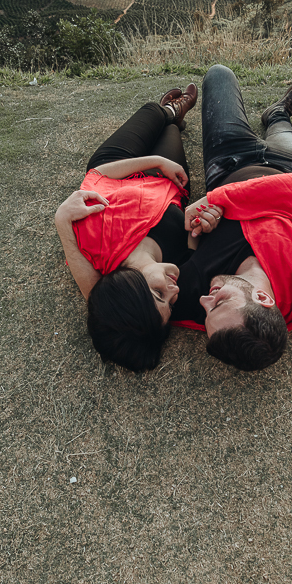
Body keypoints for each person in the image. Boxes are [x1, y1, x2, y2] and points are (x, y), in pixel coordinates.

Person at [172, 65, 292, 371]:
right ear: (264, 298)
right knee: (283, 132)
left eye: (207, 312)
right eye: (219, 303)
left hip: (228, 160)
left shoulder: (198, 292)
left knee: (218, 74)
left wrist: (195, 232)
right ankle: (278, 114)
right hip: (287, 166)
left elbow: (134, 302)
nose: (204, 301)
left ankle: (274, 117)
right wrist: (216, 201)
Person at [55, 85, 198, 372]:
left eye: (159, 294)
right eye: (171, 304)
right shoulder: (185, 261)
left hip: (117, 165)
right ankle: (174, 117)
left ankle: (167, 110)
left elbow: (98, 175)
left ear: (127, 289)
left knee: (153, 112)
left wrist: (61, 220)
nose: (174, 291)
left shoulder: (94, 244)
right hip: (168, 181)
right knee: (170, 131)